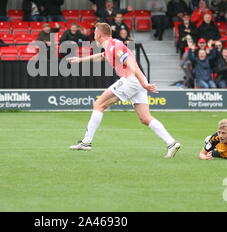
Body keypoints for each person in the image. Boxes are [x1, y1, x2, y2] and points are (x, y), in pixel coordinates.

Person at [67, 23, 181, 158]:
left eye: (95, 32)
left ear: (99, 34)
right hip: (136, 81)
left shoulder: (115, 45)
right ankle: (171, 143)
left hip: (131, 80)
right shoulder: (111, 46)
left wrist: (144, 83)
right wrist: (81, 60)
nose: (94, 35)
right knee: (144, 118)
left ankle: (86, 142)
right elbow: (103, 56)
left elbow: (131, 63)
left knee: (99, 104)